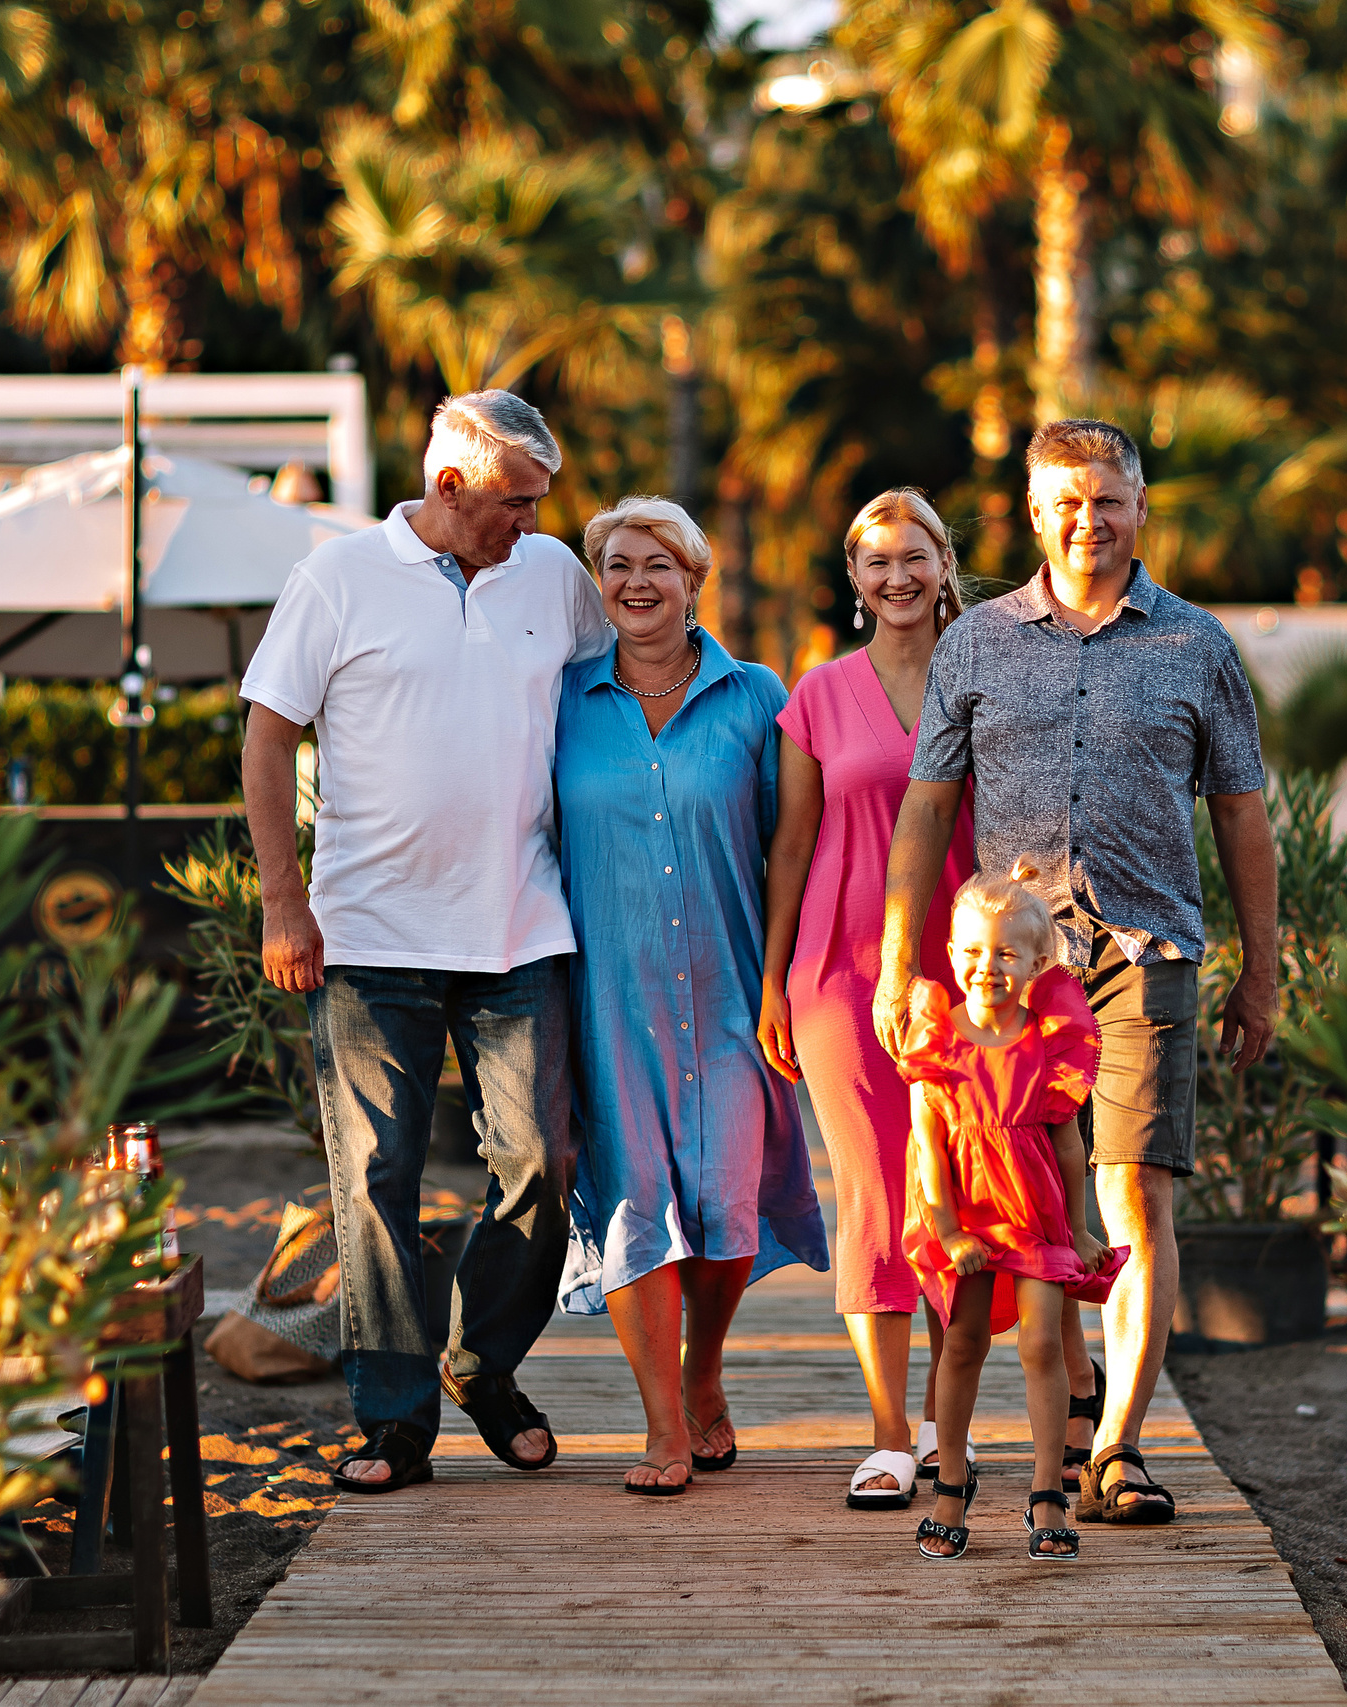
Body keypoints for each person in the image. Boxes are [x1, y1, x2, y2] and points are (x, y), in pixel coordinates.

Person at [873, 417, 1278, 1528]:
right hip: (1009, 974)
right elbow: (927, 806)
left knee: (1134, 1199)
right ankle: (991, 1441)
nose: (1086, 522)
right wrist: (904, 964)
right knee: (997, 1210)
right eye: (1064, 502)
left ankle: (1118, 1451)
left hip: (1146, 957)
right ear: (1034, 513)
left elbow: (1241, 814)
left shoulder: (1196, 647)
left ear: (1140, 509)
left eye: (1107, 500)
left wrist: (1262, 969)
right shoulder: (978, 643)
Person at [239, 389, 609, 1495]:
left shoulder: (553, 579)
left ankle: (481, 1364)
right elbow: (265, 738)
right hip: (367, 933)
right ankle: (394, 1423)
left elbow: (623, 676)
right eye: (516, 503)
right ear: (449, 489)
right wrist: (280, 902)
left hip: (520, 923)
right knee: (377, 1177)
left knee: (545, 1163)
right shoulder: (338, 579)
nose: (534, 526)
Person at [554, 495, 829, 1496]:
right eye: (618, 564)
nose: (636, 583)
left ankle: (703, 1370)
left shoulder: (758, 698)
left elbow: (793, 850)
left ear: (694, 580)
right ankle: (663, 1425)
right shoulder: (559, 704)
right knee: (635, 1201)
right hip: (607, 993)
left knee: (726, 1199)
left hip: (730, 986)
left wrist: (787, 983)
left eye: (659, 566)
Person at [759, 489, 988, 1511]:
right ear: (854, 581)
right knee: (874, 1197)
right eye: (875, 562)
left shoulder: (987, 676)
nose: (896, 577)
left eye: (914, 557)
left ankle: (950, 1425)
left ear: (944, 566)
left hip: (969, 974)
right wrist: (773, 977)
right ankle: (891, 1437)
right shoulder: (815, 694)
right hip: (838, 978)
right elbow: (793, 845)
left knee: (962, 1194)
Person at [891, 861, 1121, 1562]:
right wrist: (949, 1225)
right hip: (968, 1215)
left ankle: (1049, 1486)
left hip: (1036, 1212)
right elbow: (929, 1142)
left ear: (1035, 961)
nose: (985, 966)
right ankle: (952, 1481)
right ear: (952, 953)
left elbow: (1065, 1134)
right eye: (971, 950)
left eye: (1004, 953)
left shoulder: (1048, 1038)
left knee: (1042, 1344)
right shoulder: (937, 1038)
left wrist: (1079, 1228)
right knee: (961, 1345)